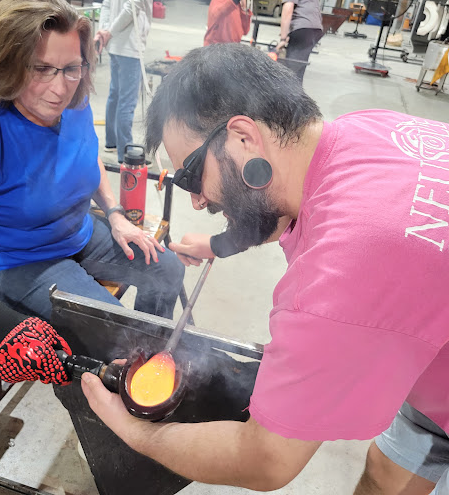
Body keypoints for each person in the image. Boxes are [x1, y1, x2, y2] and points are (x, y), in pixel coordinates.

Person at [81, 43, 449, 494]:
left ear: (244, 138)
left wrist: (134, 433)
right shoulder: (365, 129)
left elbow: (265, 460)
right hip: (433, 365)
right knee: (385, 476)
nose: (197, 200)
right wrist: (218, 243)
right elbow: (281, 207)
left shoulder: (340, 280)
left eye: (192, 176)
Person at [0, 0, 184, 385]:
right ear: (6, 64)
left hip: (73, 231)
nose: (60, 88)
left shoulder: (73, 99)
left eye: (72, 68)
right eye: (41, 69)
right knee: (113, 337)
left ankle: (143, 369)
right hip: (10, 262)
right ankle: (109, 386)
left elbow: (85, 156)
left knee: (167, 270)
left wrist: (115, 214)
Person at [94, 0, 154, 163]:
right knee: (126, 102)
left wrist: (105, 30)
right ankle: (125, 153)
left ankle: (112, 142)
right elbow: (133, 4)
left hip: (115, 44)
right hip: (129, 46)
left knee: (116, 95)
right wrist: (109, 32)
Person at [276, 0, 323, 83]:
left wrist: (283, 39)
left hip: (303, 28)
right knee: (298, 72)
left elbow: (288, 9)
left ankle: (290, 91)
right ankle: (296, 90)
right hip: (313, 29)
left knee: (290, 73)